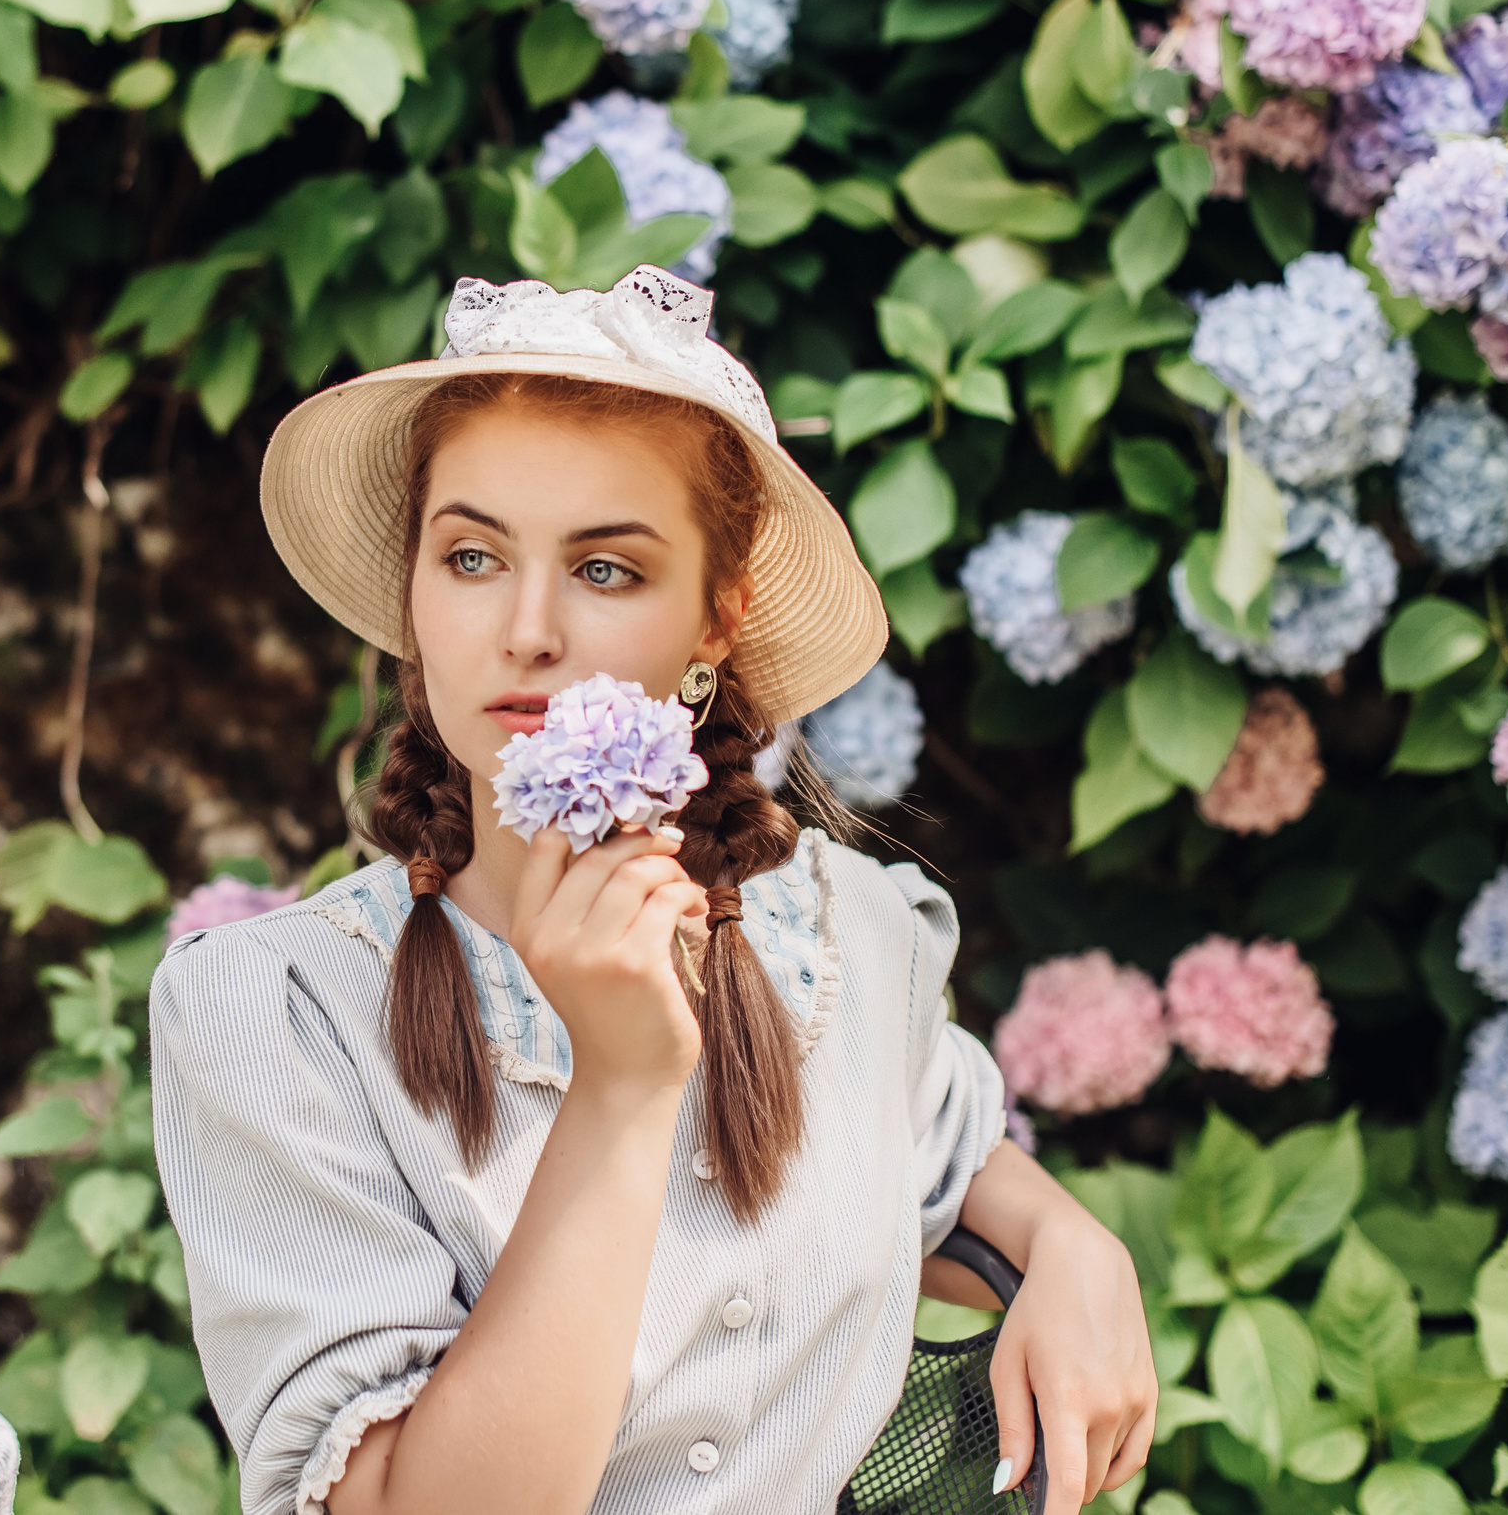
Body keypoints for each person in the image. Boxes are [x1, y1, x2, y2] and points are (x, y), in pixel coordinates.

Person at [149, 267, 1157, 1515]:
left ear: (714, 622)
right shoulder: (281, 1010)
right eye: (470, 554)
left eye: (607, 570)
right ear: (413, 592)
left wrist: (1074, 1246)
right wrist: (621, 1088)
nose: (525, 628)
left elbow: (948, 1159)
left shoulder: (848, 931)